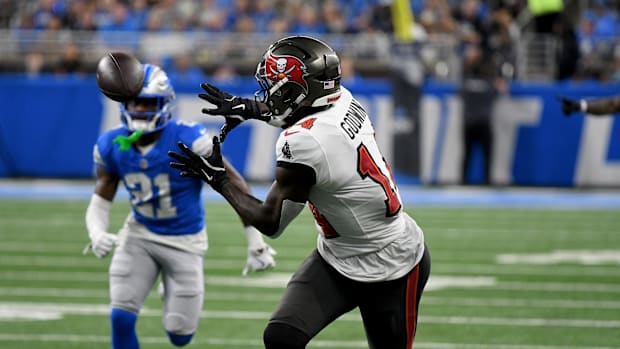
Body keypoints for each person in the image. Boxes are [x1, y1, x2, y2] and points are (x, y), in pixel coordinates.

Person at [169, 36, 431, 349]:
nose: (267, 92)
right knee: (282, 336)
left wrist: (220, 180)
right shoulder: (341, 98)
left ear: (297, 89)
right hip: (338, 257)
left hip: (393, 263)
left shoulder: (305, 144)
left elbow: (270, 223)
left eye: (274, 86)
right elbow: (301, 112)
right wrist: (251, 108)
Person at [84, 63, 276, 349]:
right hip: (139, 236)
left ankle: (170, 292)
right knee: (121, 316)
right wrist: (97, 231)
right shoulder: (112, 143)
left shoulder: (189, 139)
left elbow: (234, 185)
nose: (138, 110)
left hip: (185, 242)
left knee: (179, 335)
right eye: (133, 103)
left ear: (163, 104)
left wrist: (255, 242)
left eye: (146, 103)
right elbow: (101, 196)